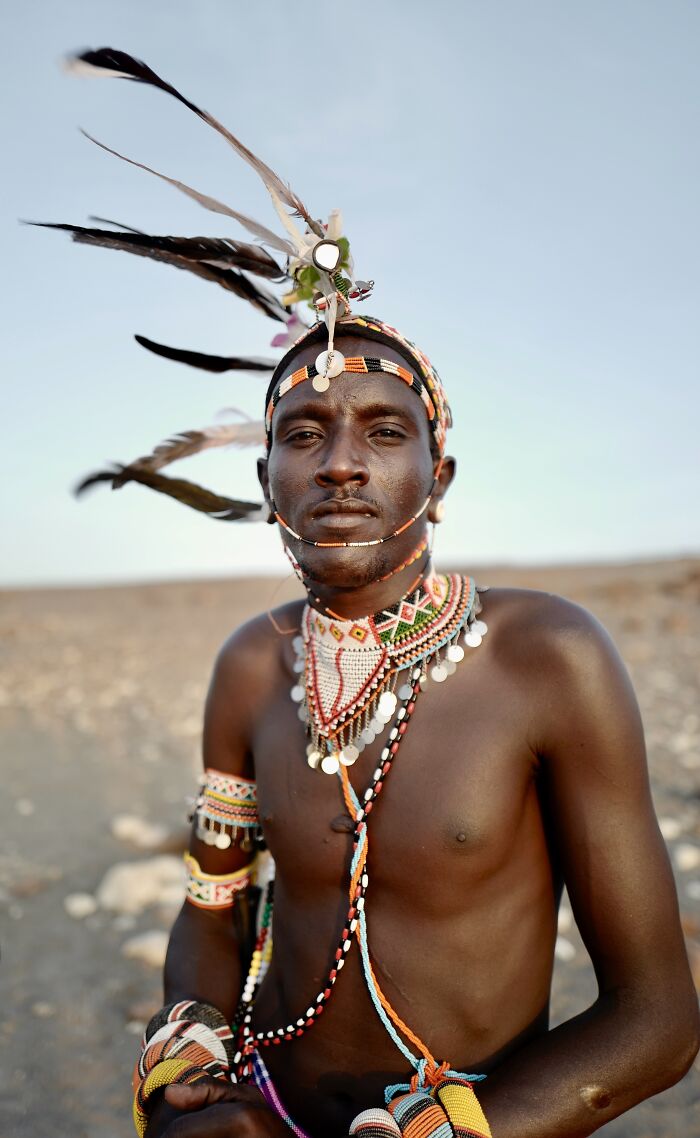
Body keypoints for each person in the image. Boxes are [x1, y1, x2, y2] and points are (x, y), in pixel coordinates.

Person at [49, 48, 699, 1138]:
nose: (340, 462)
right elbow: (214, 910)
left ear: (435, 481)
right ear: (267, 487)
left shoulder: (548, 655)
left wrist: (460, 1132)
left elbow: (656, 1018)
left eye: (383, 432)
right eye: (302, 435)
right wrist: (188, 1059)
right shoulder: (250, 664)